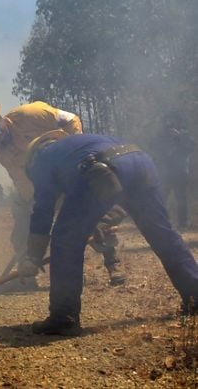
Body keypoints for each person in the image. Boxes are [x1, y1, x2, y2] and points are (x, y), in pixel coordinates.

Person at [17, 131, 198, 335]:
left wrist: (32, 257)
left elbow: (43, 211)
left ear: (33, 158)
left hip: (98, 170)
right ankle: (195, 294)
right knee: (162, 233)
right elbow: (119, 190)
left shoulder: (42, 161)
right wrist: (101, 223)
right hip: (140, 161)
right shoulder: (77, 144)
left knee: (65, 240)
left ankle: (63, 317)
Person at [0, 101, 126, 285]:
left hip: (69, 172)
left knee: (94, 218)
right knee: (21, 230)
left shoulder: (31, 114)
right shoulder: (2, 154)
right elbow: (24, 184)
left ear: (0, 121)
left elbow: (71, 119)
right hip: (42, 187)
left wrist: (75, 151)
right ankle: (28, 274)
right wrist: (38, 211)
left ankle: (114, 264)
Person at [151, 112, 195, 230]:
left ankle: (182, 224)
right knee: (161, 198)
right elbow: (155, 149)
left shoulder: (185, 135)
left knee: (181, 199)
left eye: (174, 120)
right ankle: (160, 222)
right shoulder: (161, 136)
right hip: (164, 173)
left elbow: (190, 149)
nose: (171, 123)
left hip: (180, 172)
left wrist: (178, 137)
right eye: (169, 121)